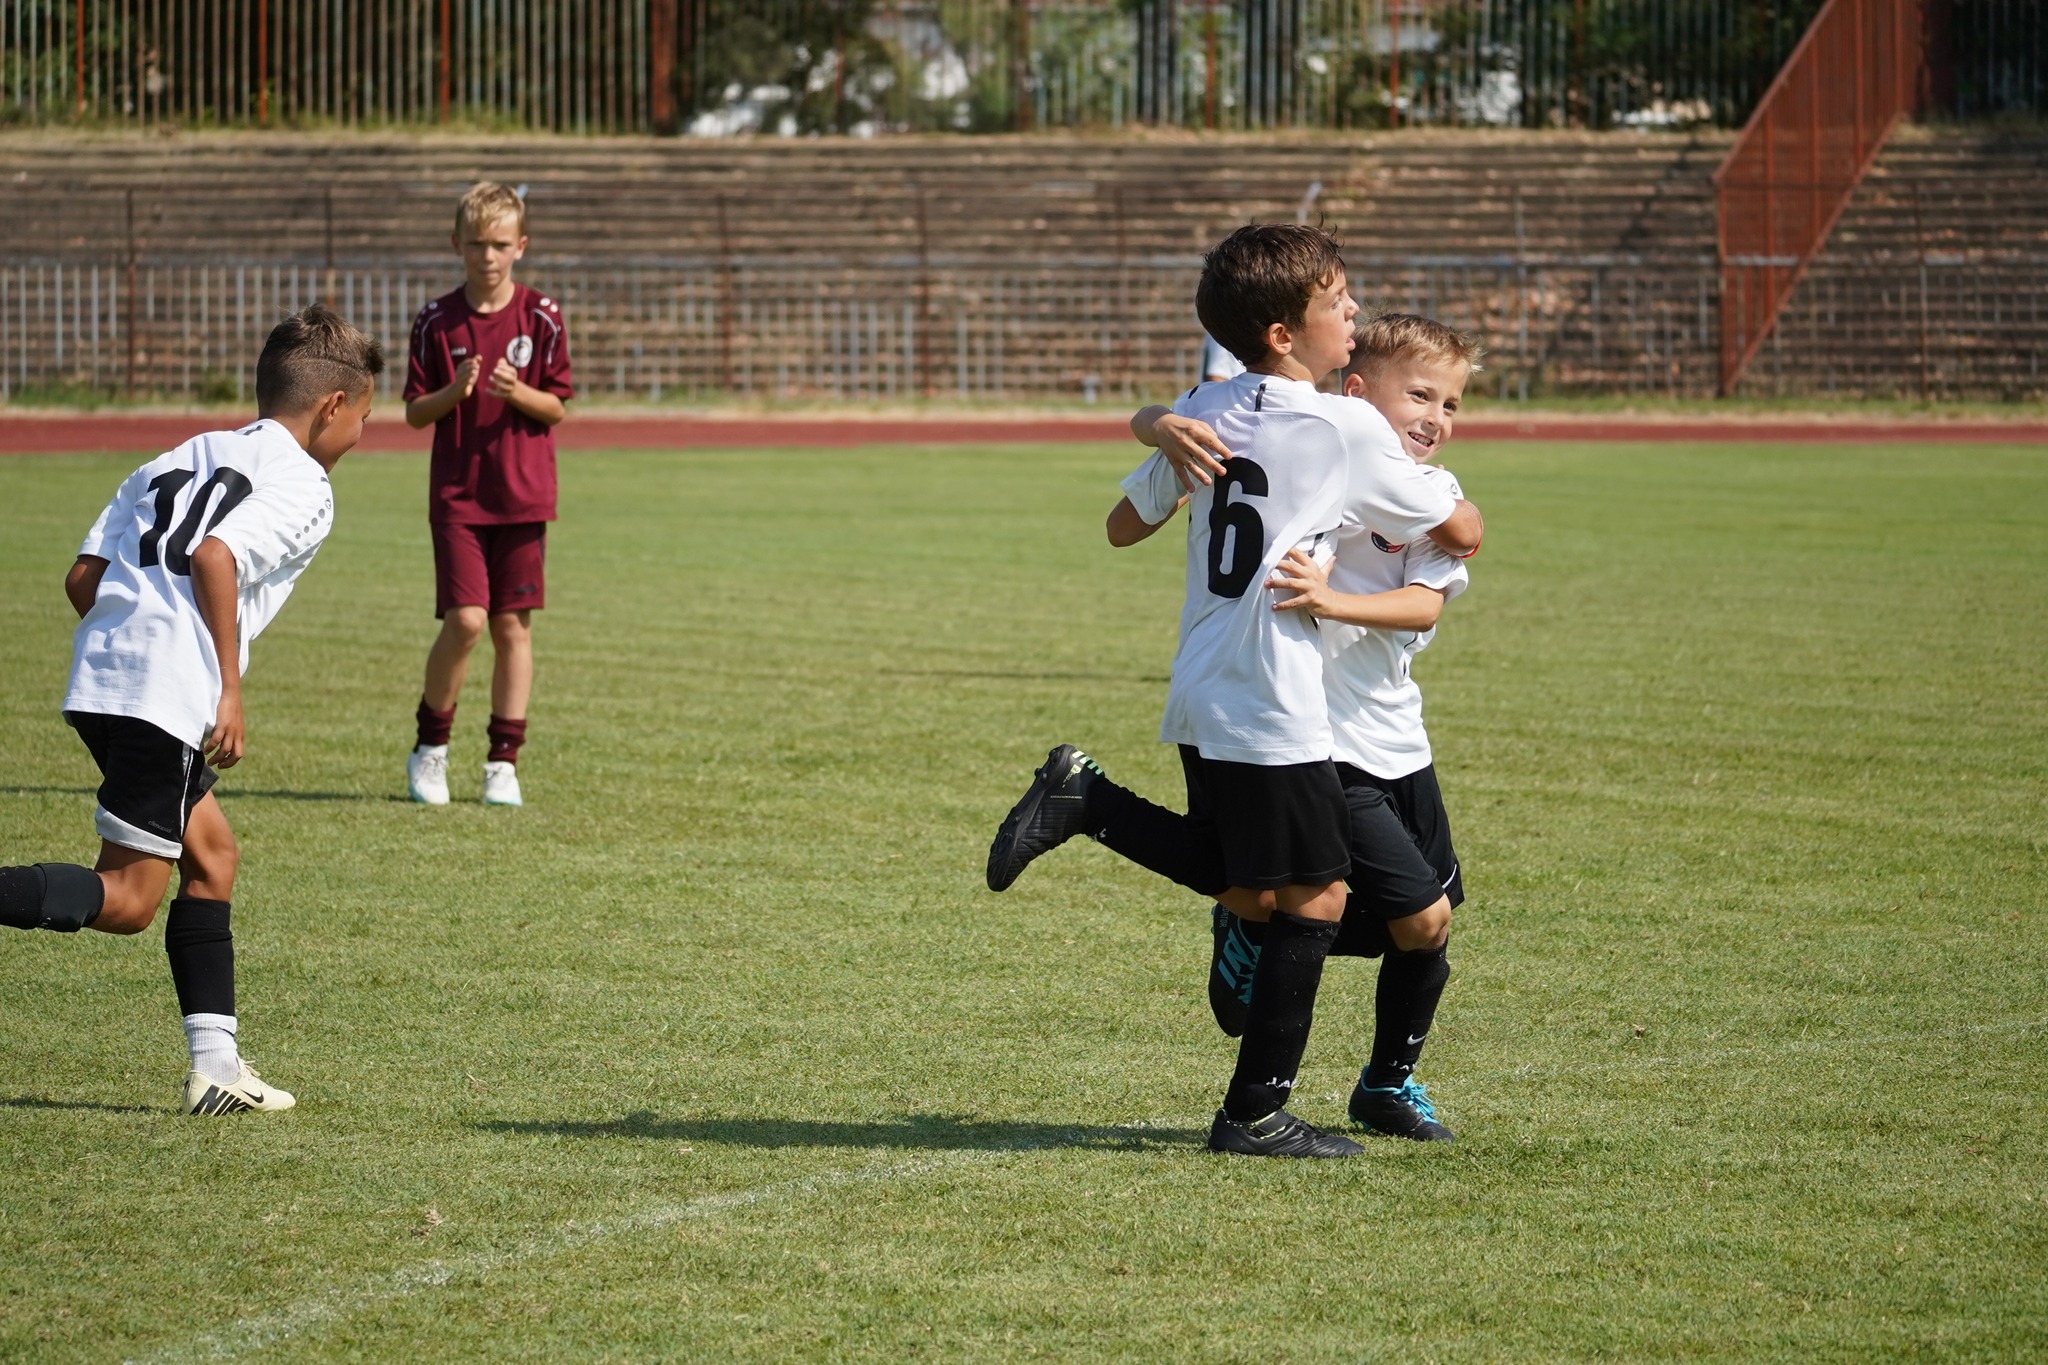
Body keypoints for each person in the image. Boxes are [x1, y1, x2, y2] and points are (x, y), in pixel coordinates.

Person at [988, 226, 1477, 1159]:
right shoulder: (1344, 426)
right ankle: (1253, 1112)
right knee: (1316, 897)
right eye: (1339, 304)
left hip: (1202, 679)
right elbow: (1457, 525)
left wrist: (1157, 423)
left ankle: (1088, 803)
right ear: (1287, 332)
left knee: (1265, 894)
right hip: (1274, 687)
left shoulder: (1207, 407)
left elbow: (1123, 525)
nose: (1354, 317)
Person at [0, 304, 383, 1115]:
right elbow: (216, 554)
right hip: (167, 694)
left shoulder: (177, 455)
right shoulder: (305, 485)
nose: (362, 437)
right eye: (367, 418)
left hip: (105, 678)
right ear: (332, 407)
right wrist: (225, 686)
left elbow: (82, 578)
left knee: (212, 857)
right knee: (132, 899)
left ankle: (216, 1067)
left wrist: (133, 646)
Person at [403, 181, 573, 808]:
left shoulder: (543, 317)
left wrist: (514, 391)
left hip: (523, 496)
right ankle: (431, 749)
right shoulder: (436, 320)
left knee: (511, 627)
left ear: (520, 247)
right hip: (459, 497)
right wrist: (457, 391)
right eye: (476, 244)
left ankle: (503, 761)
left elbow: (557, 406)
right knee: (467, 621)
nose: (488, 256)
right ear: (457, 245)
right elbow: (417, 413)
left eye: (500, 244)